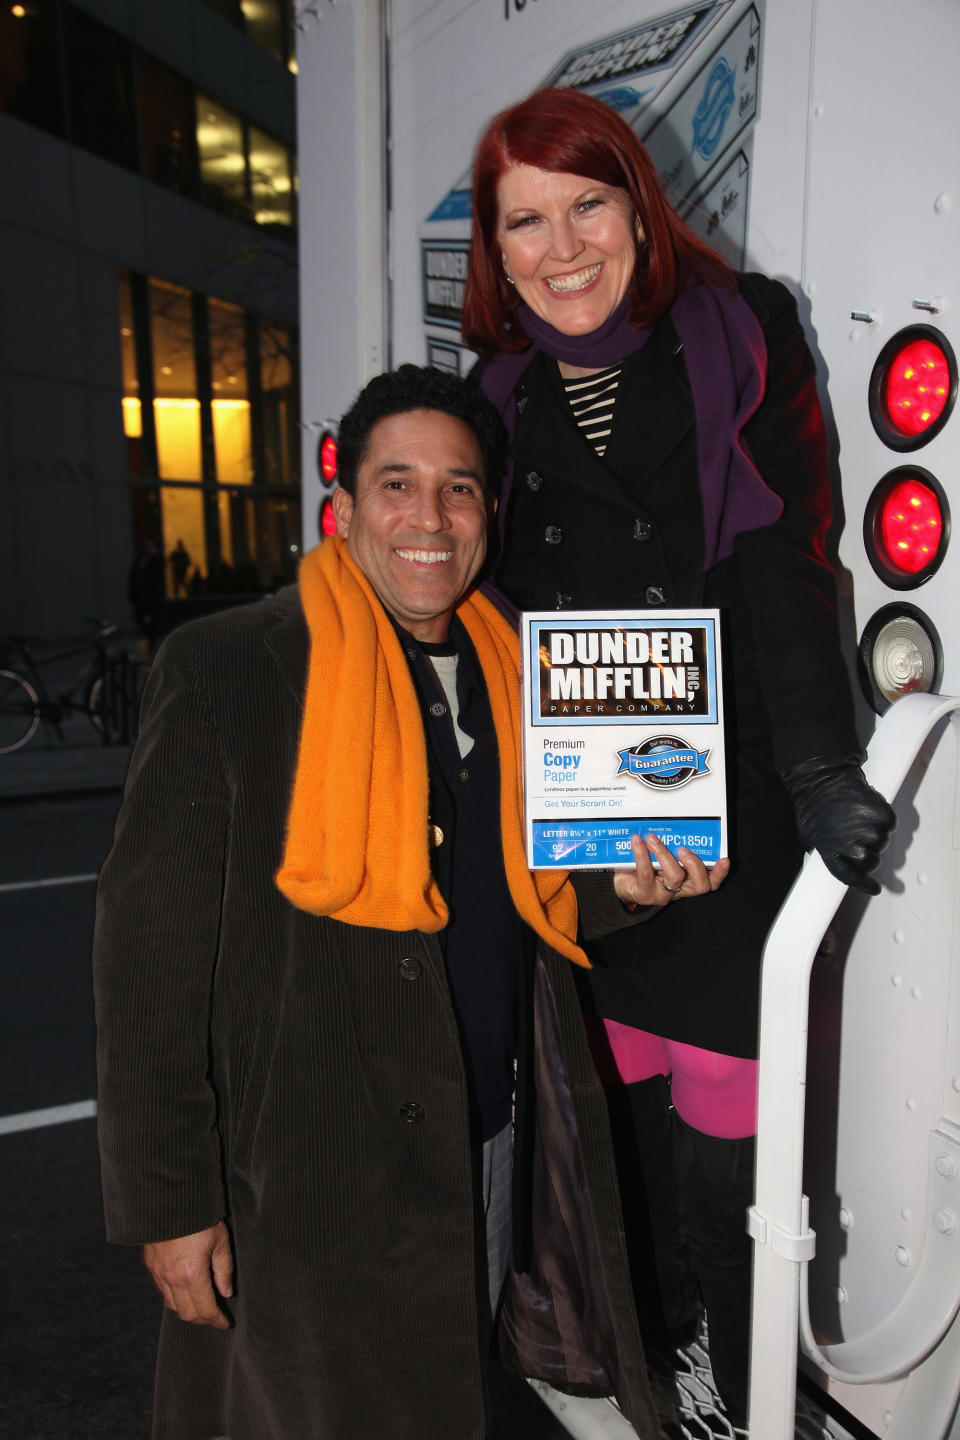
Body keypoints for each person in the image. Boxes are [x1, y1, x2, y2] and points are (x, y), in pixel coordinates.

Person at [93, 363, 725, 1440]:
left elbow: (540, 888)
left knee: (441, 1399)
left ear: (490, 510)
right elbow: (147, 954)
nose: (429, 517)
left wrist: (628, 883)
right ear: (343, 506)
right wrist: (170, 1201)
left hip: (479, 1146)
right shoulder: (232, 668)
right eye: (397, 483)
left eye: (460, 487)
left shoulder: (521, 671)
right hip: (295, 1181)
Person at [461, 87, 896, 1426]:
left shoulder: (739, 332)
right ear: (495, 243)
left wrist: (822, 770)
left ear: (640, 208)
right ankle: (666, 1351)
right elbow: (493, 614)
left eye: (587, 202)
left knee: (736, 1111)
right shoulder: (493, 394)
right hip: (590, 799)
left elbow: (782, 556)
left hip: (736, 781)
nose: (562, 244)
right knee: (620, 1100)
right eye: (523, 218)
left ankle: (758, 1376)